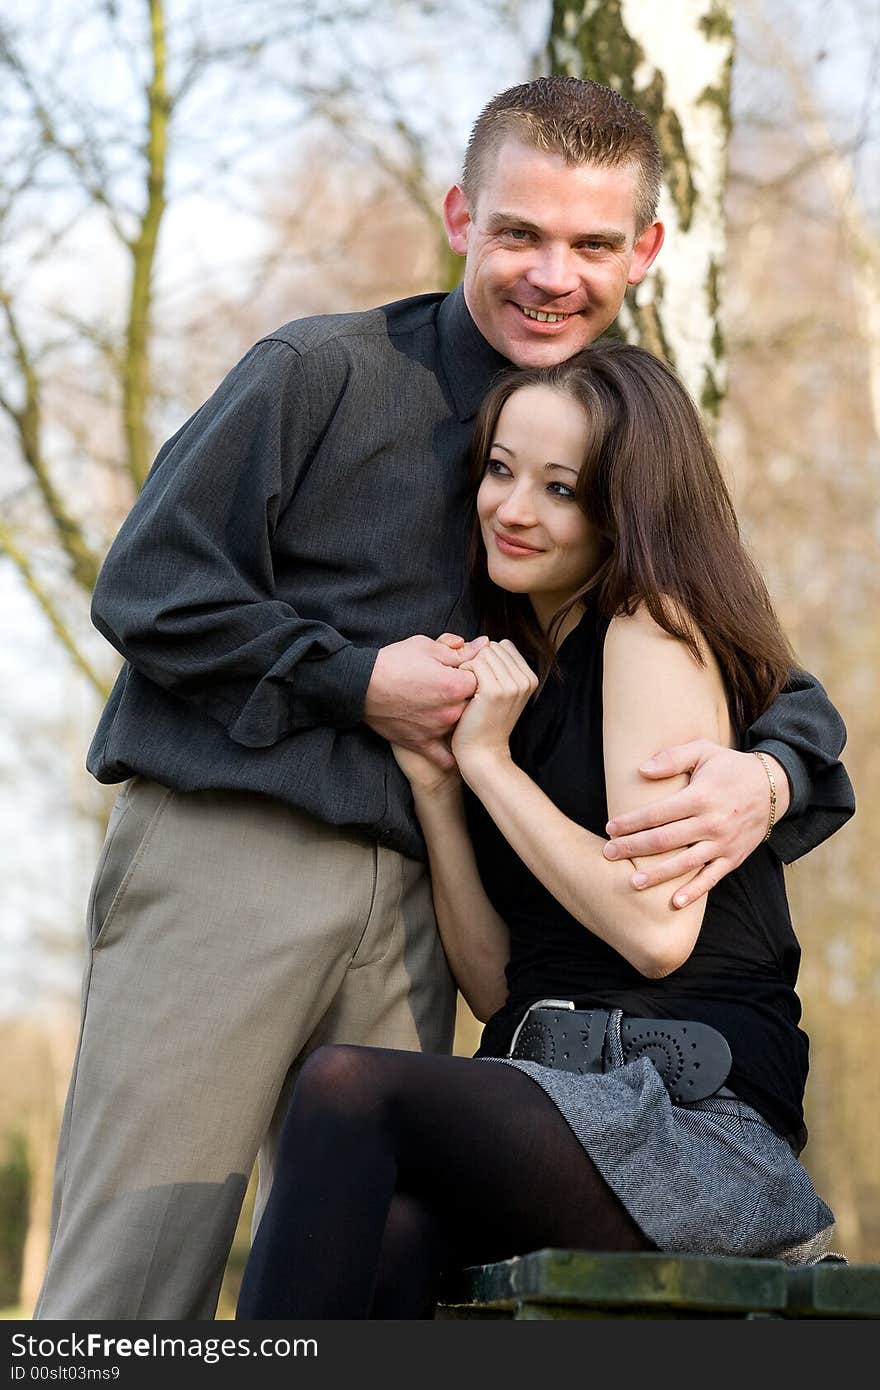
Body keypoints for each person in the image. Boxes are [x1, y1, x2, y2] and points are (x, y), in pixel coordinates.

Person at [35, 77, 853, 1322]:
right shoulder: (320, 371)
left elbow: (736, 651)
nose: (550, 274)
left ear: (643, 252)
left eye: (589, 243)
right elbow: (148, 583)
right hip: (247, 851)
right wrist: (358, 680)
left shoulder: (625, 434)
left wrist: (777, 766)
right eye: (519, 232)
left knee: (384, 1266)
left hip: (445, 899)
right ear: (462, 214)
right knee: (134, 1283)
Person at [235, 342, 850, 1321]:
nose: (513, 508)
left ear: (624, 508)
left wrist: (489, 767)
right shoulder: (522, 680)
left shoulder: (650, 629)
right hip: (556, 1095)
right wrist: (443, 785)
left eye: (560, 488)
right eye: (499, 469)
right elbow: (494, 983)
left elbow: (656, 933)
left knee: (347, 1086)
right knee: (390, 1239)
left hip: (692, 1126)